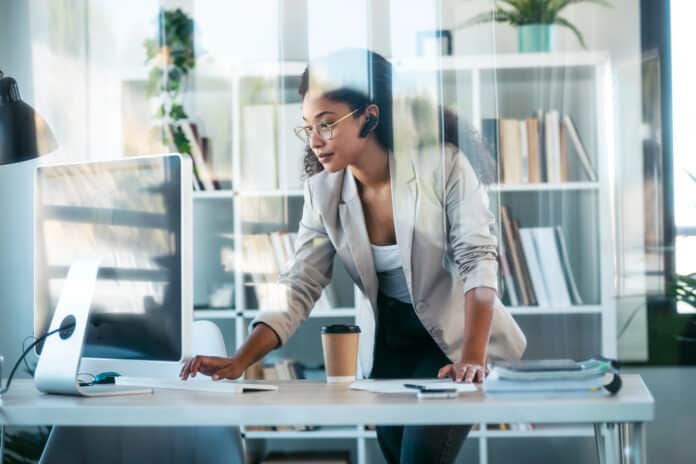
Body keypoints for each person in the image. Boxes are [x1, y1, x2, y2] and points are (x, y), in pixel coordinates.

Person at [181, 48, 526, 463]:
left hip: (451, 345)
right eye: (307, 127)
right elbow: (299, 284)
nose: (314, 140)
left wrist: (473, 358)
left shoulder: (442, 165)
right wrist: (240, 360)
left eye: (326, 124)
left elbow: (478, 258)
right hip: (387, 347)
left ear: (370, 116)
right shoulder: (323, 191)